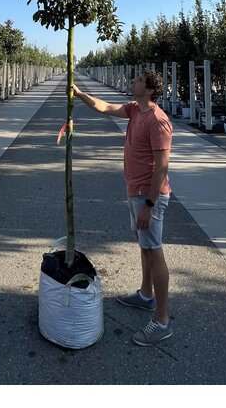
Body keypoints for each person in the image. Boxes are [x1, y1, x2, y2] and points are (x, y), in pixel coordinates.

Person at [71, 70, 173, 346]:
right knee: (145, 246)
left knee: (154, 250)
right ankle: (145, 294)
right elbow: (105, 107)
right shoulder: (134, 110)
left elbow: (162, 167)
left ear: (150, 90)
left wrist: (149, 205)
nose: (133, 81)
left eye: (138, 80)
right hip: (136, 192)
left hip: (148, 196)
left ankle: (162, 321)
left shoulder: (157, 121)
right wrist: (80, 94)